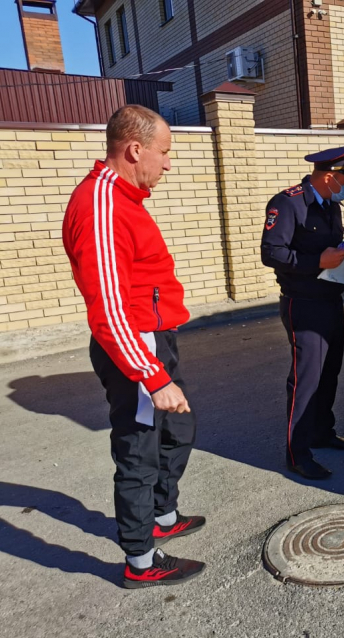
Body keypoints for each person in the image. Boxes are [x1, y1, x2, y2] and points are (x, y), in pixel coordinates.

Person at [63, 105, 206, 589]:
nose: (168, 163)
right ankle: (141, 562)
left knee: (179, 429)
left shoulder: (126, 198)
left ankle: (163, 515)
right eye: (163, 153)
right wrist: (152, 375)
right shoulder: (101, 204)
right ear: (134, 149)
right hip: (134, 347)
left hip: (154, 338)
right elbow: (107, 310)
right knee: (138, 451)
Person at [261, 144, 344, 480]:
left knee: (329, 373)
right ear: (327, 176)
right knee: (305, 381)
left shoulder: (329, 205)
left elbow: (329, 246)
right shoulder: (288, 203)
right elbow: (271, 253)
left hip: (330, 299)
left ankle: (323, 432)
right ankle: (298, 452)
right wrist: (316, 262)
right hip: (303, 304)